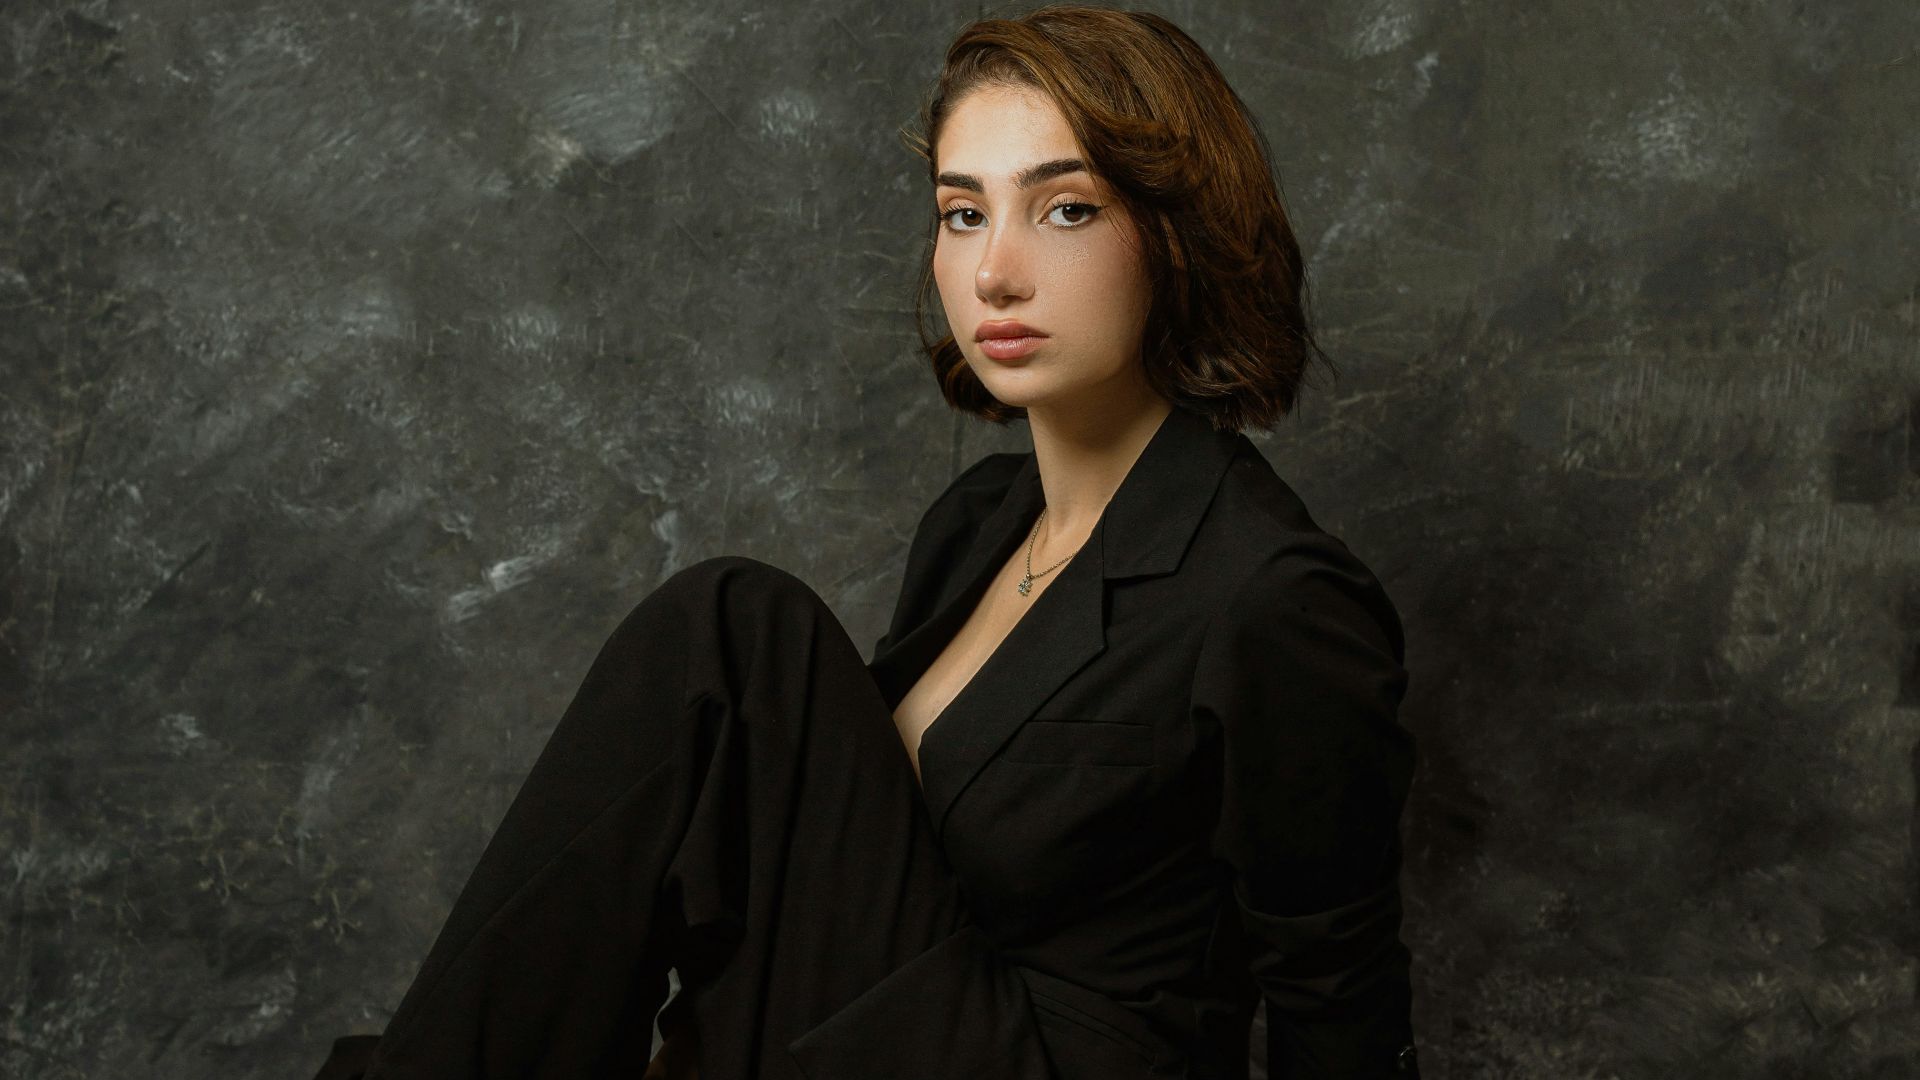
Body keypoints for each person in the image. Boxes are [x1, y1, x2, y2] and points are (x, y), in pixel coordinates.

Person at [310, 5, 1422, 1078]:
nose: (996, 272)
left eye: (1066, 209)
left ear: (1176, 237)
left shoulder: (1272, 592)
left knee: (737, 631)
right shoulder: (979, 525)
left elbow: (1341, 992)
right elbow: (837, 883)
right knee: (735, 686)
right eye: (962, 211)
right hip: (883, 1041)